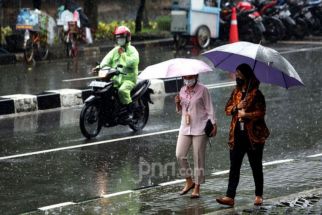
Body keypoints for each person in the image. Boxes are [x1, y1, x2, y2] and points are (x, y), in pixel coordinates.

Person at [216, 64, 270, 206]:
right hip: (237, 135)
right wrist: (237, 107)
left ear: (246, 76)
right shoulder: (236, 92)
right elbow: (227, 109)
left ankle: (259, 195)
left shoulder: (257, 94)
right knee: (234, 166)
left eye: (239, 74)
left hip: (253, 136)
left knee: (255, 165)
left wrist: (247, 114)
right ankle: (230, 196)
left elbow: (261, 112)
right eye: (236, 74)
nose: (237, 77)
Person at [175, 74, 217, 198]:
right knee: (179, 155)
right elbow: (180, 111)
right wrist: (177, 103)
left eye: (190, 77)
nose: (188, 79)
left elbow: (210, 108)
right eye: (185, 77)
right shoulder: (182, 90)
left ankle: (197, 186)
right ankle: (189, 181)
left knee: (198, 158)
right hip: (185, 127)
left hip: (200, 127)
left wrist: (214, 124)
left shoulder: (203, 90)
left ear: (196, 76)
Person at [92, 26, 139, 122]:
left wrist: (123, 55)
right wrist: (99, 67)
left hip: (128, 79)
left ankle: (130, 112)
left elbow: (133, 62)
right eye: (118, 38)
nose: (120, 40)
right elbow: (106, 60)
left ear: (127, 38)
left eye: (122, 38)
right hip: (116, 78)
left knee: (122, 91)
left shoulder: (132, 50)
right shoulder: (115, 50)